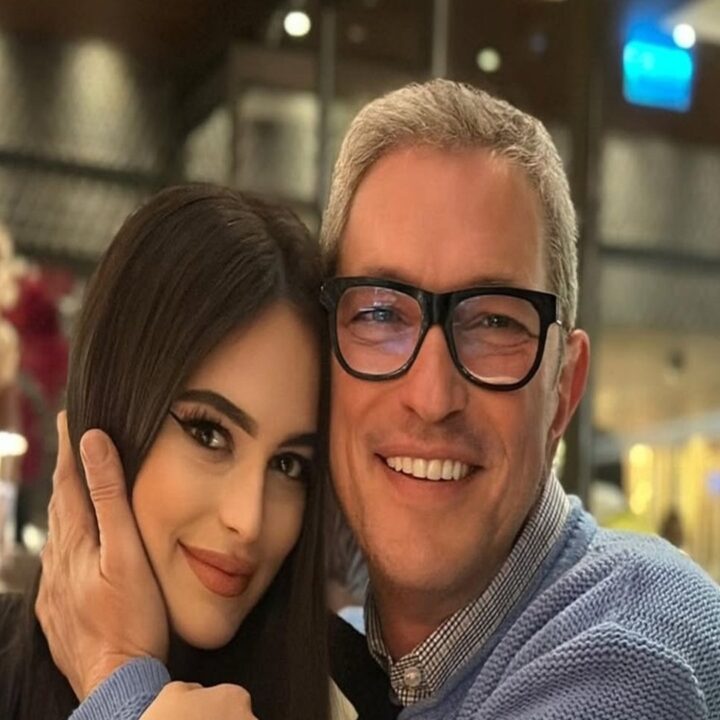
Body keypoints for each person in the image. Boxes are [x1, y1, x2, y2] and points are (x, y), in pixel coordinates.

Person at [37, 80, 720, 718]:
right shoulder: (348, 666)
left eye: (493, 322)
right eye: (381, 314)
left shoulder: (636, 650)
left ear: (563, 389)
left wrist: (116, 676)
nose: (432, 395)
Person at [0, 184, 393, 720]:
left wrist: (118, 684)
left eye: (288, 465)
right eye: (209, 434)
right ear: (114, 404)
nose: (248, 521)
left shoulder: (357, 698)